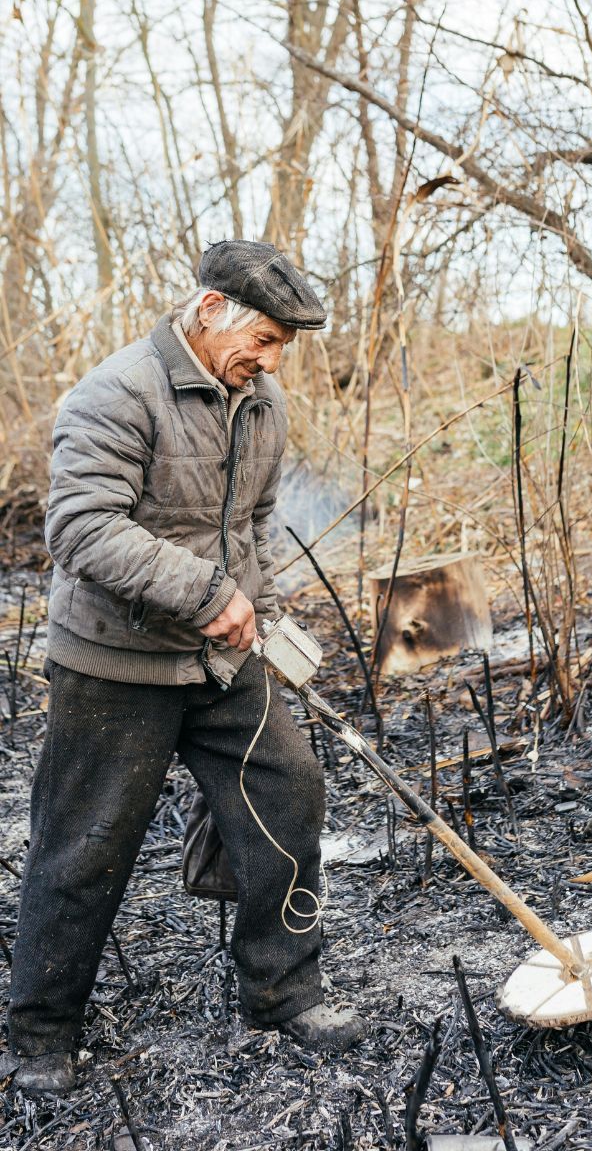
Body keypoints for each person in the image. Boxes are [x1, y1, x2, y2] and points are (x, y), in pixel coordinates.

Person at [7, 240, 365, 1097]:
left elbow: (256, 522)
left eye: (283, 347)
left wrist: (258, 609)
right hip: (114, 664)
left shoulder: (261, 402)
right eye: (265, 340)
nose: (272, 362)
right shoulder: (114, 393)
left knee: (289, 792)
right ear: (209, 311)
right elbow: (81, 530)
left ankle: (281, 991)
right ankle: (39, 1036)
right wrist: (208, 592)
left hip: (220, 658)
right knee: (84, 847)